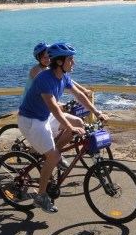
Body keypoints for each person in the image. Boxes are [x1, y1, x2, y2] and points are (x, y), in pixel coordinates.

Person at [17, 42, 109, 213]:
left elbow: (79, 95)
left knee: (79, 122)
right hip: (31, 121)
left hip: (44, 117)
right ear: (59, 62)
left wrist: (97, 112)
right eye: (70, 59)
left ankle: (55, 155)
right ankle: (41, 196)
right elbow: (53, 107)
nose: (73, 62)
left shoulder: (64, 76)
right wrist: (68, 127)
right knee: (53, 155)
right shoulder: (44, 78)